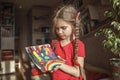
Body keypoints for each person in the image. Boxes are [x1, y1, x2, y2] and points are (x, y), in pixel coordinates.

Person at [49, 4, 86, 80]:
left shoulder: (79, 45)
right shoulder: (54, 43)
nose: (59, 32)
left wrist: (59, 64)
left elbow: (77, 72)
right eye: (57, 28)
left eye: (63, 28)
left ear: (74, 26)